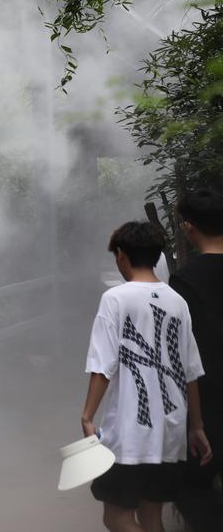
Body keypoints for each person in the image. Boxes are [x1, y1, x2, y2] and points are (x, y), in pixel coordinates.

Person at [82, 221, 212, 532]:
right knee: (150, 517)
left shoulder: (115, 299)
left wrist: (87, 416)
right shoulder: (177, 302)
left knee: (117, 517)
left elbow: (102, 365)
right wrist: (196, 426)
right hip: (170, 430)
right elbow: (190, 371)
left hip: (129, 431)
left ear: (121, 255)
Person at [169, 190, 223, 531]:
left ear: (189, 227)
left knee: (191, 485)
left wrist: (194, 422)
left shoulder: (186, 280)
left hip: (209, 397)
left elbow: (181, 354)